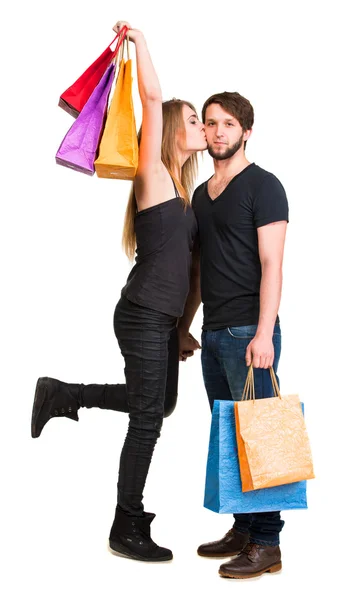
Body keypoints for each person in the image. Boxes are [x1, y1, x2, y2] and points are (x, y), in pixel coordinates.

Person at [31, 21, 206, 563]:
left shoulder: (185, 192)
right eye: (196, 118)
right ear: (173, 127)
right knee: (148, 419)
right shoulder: (152, 174)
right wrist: (143, 44)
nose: (202, 125)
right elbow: (151, 96)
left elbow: (190, 268)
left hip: (159, 319)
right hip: (140, 314)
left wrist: (182, 327)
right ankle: (126, 524)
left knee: (162, 405)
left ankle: (65, 393)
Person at [177, 91, 289, 579]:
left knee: (259, 437)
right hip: (214, 330)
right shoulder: (202, 195)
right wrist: (184, 326)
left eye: (228, 123)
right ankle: (244, 529)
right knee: (229, 436)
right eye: (210, 123)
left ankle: (267, 543)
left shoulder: (264, 186)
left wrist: (264, 333)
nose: (217, 131)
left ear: (246, 131)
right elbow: (199, 269)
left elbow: (272, 264)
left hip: (250, 331)